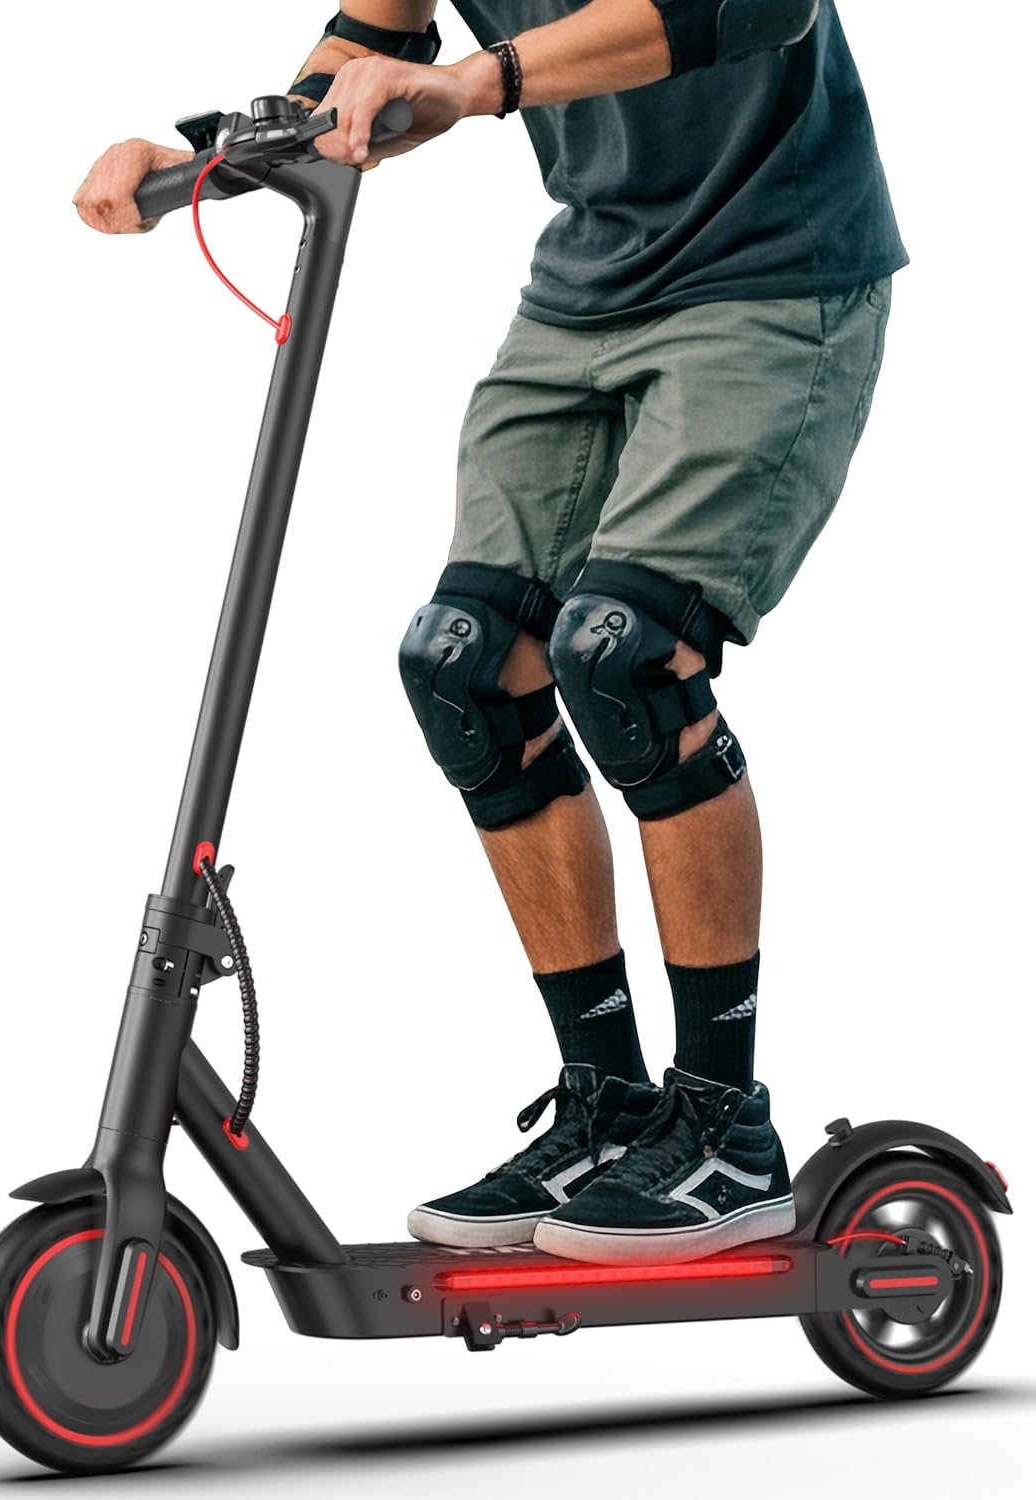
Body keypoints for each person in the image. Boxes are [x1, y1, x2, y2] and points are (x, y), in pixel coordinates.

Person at [74, 1, 905, 1265]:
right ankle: (609, 1104)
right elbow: (365, 74)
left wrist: (480, 81)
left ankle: (728, 1125)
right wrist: (196, 160)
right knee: (464, 667)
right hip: (590, 285)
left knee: (629, 659)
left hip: (775, 273)